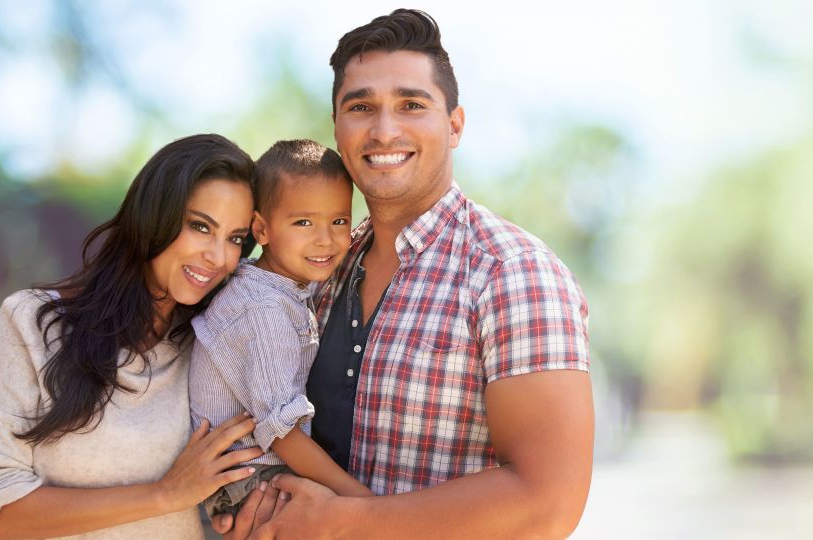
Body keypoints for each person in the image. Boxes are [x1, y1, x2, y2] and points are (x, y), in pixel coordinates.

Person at [217, 8, 594, 539]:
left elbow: (547, 505)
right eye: (361, 106)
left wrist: (344, 523)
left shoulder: (512, 274)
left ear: (454, 124)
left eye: (412, 104)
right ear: (338, 129)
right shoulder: (315, 269)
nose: (384, 129)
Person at [0, 133, 266, 539]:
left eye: (235, 238)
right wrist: (165, 494)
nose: (220, 257)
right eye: (200, 226)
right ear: (154, 214)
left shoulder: (214, 346)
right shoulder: (32, 322)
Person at [189, 139, 372, 519]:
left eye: (338, 221)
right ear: (262, 229)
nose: (325, 238)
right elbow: (282, 432)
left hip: (260, 470)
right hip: (252, 479)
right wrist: (365, 506)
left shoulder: (278, 286)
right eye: (303, 222)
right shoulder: (263, 309)